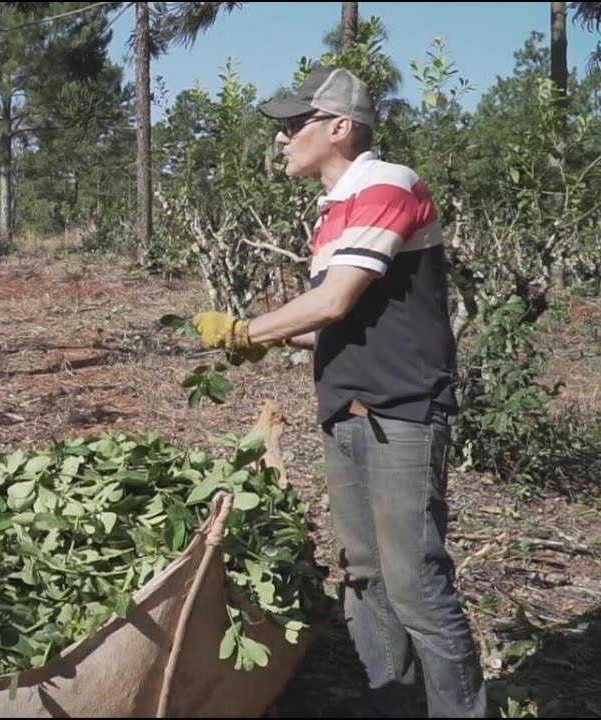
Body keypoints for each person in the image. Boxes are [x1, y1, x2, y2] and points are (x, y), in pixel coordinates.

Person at [189, 67, 487, 718]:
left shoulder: (387, 182)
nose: (282, 139)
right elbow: (340, 321)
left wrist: (246, 330)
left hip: (402, 409)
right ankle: (389, 707)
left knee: (414, 582)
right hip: (348, 406)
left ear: (340, 127)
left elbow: (333, 300)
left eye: (294, 125)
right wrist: (264, 340)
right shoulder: (333, 213)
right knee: (363, 575)